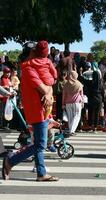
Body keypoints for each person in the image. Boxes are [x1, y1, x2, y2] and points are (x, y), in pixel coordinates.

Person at [2, 41, 59, 181]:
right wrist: (47, 92)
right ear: (31, 53)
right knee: (40, 144)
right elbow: (46, 87)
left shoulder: (38, 67)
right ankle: (11, 160)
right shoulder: (28, 69)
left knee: (39, 142)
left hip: (43, 109)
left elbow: (51, 83)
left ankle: (41, 173)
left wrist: (48, 92)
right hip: (36, 110)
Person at [62, 70, 84, 136]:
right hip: (77, 102)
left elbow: (64, 95)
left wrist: (63, 104)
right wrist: (82, 102)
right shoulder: (79, 84)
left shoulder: (66, 84)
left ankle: (70, 129)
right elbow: (81, 95)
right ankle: (72, 130)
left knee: (70, 117)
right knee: (77, 116)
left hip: (68, 103)